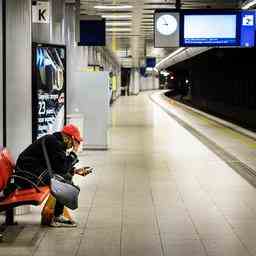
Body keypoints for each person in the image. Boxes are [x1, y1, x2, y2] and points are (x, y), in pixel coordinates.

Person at [0, 124, 88, 227]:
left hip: (31, 173)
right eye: (75, 142)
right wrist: (74, 153)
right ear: (70, 138)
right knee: (64, 181)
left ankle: (58, 216)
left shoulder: (55, 142)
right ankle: (57, 217)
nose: (74, 145)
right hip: (28, 176)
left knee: (65, 178)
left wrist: (75, 171)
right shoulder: (54, 143)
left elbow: (58, 166)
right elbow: (62, 169)